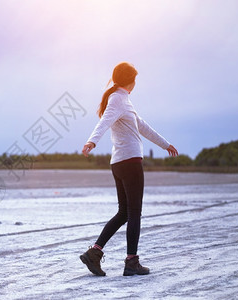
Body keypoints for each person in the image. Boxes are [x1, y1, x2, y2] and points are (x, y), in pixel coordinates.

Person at [79, 62, 178, 276]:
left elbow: (142, 126)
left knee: (125, 212)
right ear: (129, 81)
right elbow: (104, 122)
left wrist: (165, 144)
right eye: (135, 79)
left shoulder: (122, 100)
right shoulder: (118, 99)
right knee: (134, 213)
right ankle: (131, 261)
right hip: (130, 162)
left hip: (119, 162)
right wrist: (92, 142)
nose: (136, 83)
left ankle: (94, 253)